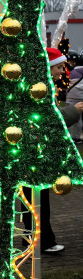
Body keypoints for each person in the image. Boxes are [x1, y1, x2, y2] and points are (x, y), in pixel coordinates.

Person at [23, 47, 83, 254]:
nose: (61, 71)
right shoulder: (38, 90)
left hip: (33, 152)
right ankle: (41, 241)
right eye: (58, 67)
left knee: (34, 198)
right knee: (37, 199)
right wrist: (73, 112)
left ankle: (34, 238)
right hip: (33, 154)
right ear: (47, 68)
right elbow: (50, 122)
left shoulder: (40, 87)